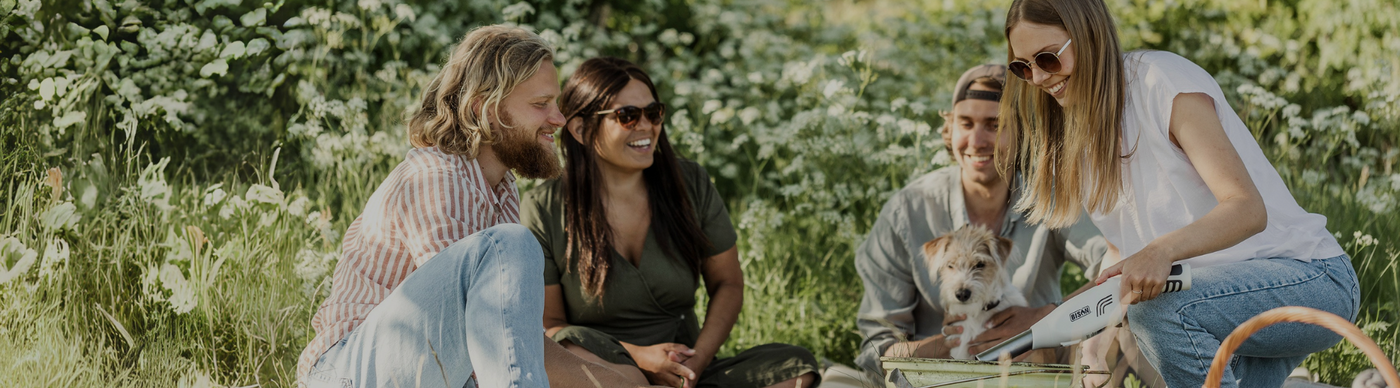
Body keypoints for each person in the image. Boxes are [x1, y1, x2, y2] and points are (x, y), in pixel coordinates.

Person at [999, 1, 1360, 387]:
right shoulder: (1080, 133)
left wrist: (1162, 251)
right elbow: (1124, 254)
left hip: (1310, 278)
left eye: (1047, 59)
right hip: (1213, 304)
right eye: (1023, 66)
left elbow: (1246, 209)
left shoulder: (1160, 81)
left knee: (1157, 314)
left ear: (1088, 35)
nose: (1037, 77)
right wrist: (1091, 337)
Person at [298, 25, 661, 388]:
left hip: (421, 369)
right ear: (484, 109)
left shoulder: (501, 190)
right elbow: (482, 333)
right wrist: (615, 383)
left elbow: (513, 345)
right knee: (512, 244)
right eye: (540, 104)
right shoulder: (436, 178)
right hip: (346, 372)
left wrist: (613, 378)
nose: (559, 119)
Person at [520, 57, 822, 388]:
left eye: (654, 112)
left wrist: (696, 362)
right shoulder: (543, 208)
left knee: (796, 366)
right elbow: (552, 325)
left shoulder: (689, 183)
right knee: (589, 356)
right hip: (601, 367)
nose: (647, 126)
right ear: (580, 129)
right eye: (627, 116)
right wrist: (637, 357)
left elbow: (728, 283)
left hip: (683, 368)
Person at [852, 64, 1111, 382]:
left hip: (1036, 367)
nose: (976, 140)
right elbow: (876, 349)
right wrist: (954, 346)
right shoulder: (907, 211)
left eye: (994, 125)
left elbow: (1116, 269)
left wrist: (1044, 319)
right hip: (938, 378)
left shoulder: (1051, 196)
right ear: (950, 129)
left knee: (1127, 335)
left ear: (1023, 133)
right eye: (966, 123)